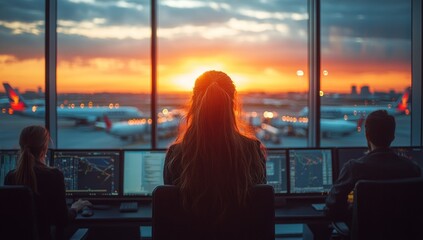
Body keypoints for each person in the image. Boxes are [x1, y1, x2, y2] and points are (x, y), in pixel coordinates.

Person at [163, 70, 266, 232]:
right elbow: (259, 209)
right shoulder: (252, 151)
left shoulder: (176, 155)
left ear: (194, 103)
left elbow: (171, 213)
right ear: (232, 104)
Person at [325, 109, 421, 223]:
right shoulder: (413, 169)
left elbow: (332, 206)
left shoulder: (354, 168)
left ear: (367, 135)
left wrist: (354, 209)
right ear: (392, 136)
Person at [4, 125, 91, 240]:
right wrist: (75, 207)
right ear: (45, 148)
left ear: (21, 146)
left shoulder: (10, 177)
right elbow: (62, 220)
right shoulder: (54, 175)